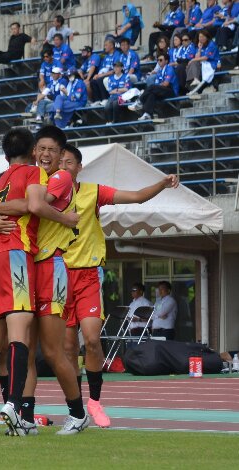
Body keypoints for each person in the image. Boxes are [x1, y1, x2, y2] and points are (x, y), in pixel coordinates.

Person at [0, 128, 78, 436]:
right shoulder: (33, 174)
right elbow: (33, 205)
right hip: (17, 256)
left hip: (0, 259)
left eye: (51, 149)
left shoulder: (14, 180)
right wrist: (66, 219)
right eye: (41, 148)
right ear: (33, 150)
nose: (45, 154)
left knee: (0, 340)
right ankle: (15, 406)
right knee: (22, 336)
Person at [59, 145, 178, 429]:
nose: (63, 167)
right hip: (59, 277)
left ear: (79, 167)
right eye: (59, 162)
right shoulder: (45, 196)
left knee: (91, 340)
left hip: (88, 274)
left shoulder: (92, 192)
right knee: (67, 348)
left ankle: (95, 401)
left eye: (69, 162)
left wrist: (161, 184)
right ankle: (76, 410)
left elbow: (135, 197)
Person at [129, 53, 179, 120]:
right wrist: (160, 85)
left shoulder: (170, 69)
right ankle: (147, 114)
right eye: (158, 60)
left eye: (161, 60)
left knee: (152, 87)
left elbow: (166, 84)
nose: (159, 61)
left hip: (171, 91)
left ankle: (140, 101)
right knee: (151, 94)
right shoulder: (159, 71)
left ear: (166, 61)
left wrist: (160, 85)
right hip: (162, 91)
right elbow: (158, 84)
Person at [186, 29, 220, 95]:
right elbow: (197, 58)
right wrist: (199, 48)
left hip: (212, 64)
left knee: (193, 63)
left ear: (207, 37)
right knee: (192, 65)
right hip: (203, 64)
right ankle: (194, 81)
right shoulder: (201, 45)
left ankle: (196, 84)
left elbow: (206, 57)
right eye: (200, 37)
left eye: (203, 36)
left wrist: (192, 60)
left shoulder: (211, 44)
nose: (201, 38)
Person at [90, 38, 121, 105]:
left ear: (112, 46)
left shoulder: (117, 55)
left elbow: (115, 70)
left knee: (100, 79)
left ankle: (105, 99)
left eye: (106, 45)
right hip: (106, 74)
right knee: (93, 81)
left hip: (115, 74)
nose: (105, 47)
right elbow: (103, 69)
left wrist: (101, 75)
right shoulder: (106, 56)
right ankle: (97, 100)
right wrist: (97, 75)